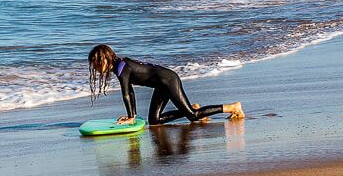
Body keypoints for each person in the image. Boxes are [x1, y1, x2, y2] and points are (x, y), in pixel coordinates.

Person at [88, 44, 244, 125]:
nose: (95, 68)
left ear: (104, 59)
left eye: (96, 64)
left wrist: (131, 117)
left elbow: (126, 94)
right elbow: (130, 91)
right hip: (161, 85)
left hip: (169, 80)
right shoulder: (120, 65)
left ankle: (232, 107)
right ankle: (193, 107)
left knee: (193, 117)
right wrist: (132, 116)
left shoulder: (122, 68)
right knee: (154, 121)